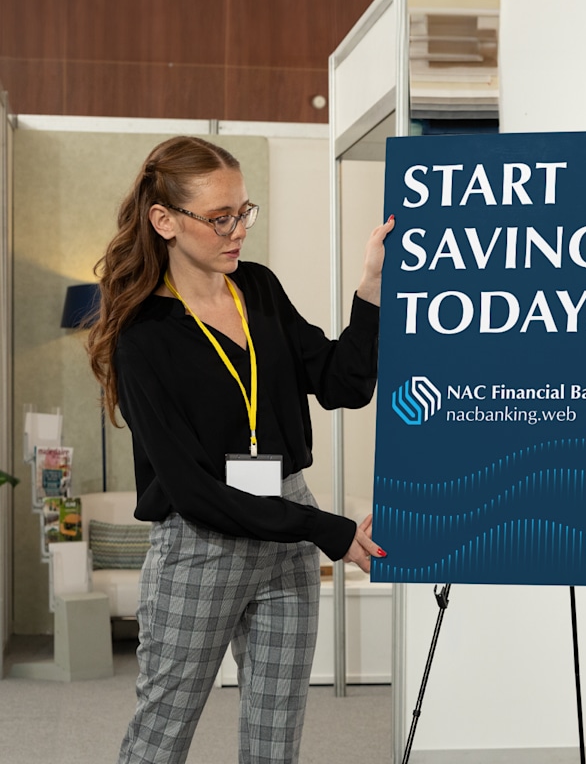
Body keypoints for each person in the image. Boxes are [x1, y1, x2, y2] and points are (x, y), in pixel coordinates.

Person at [86, 135, 394, 764]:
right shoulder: (142, 339)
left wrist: (371, 291)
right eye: (220, 218)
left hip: (287, 530)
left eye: (244, 212)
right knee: (162, 732)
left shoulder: (257, 288)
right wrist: (324, 529)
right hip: (203, 544)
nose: (238, 231)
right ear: (165, 220)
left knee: (275, 739)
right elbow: (195, 492)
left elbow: (343, 385)